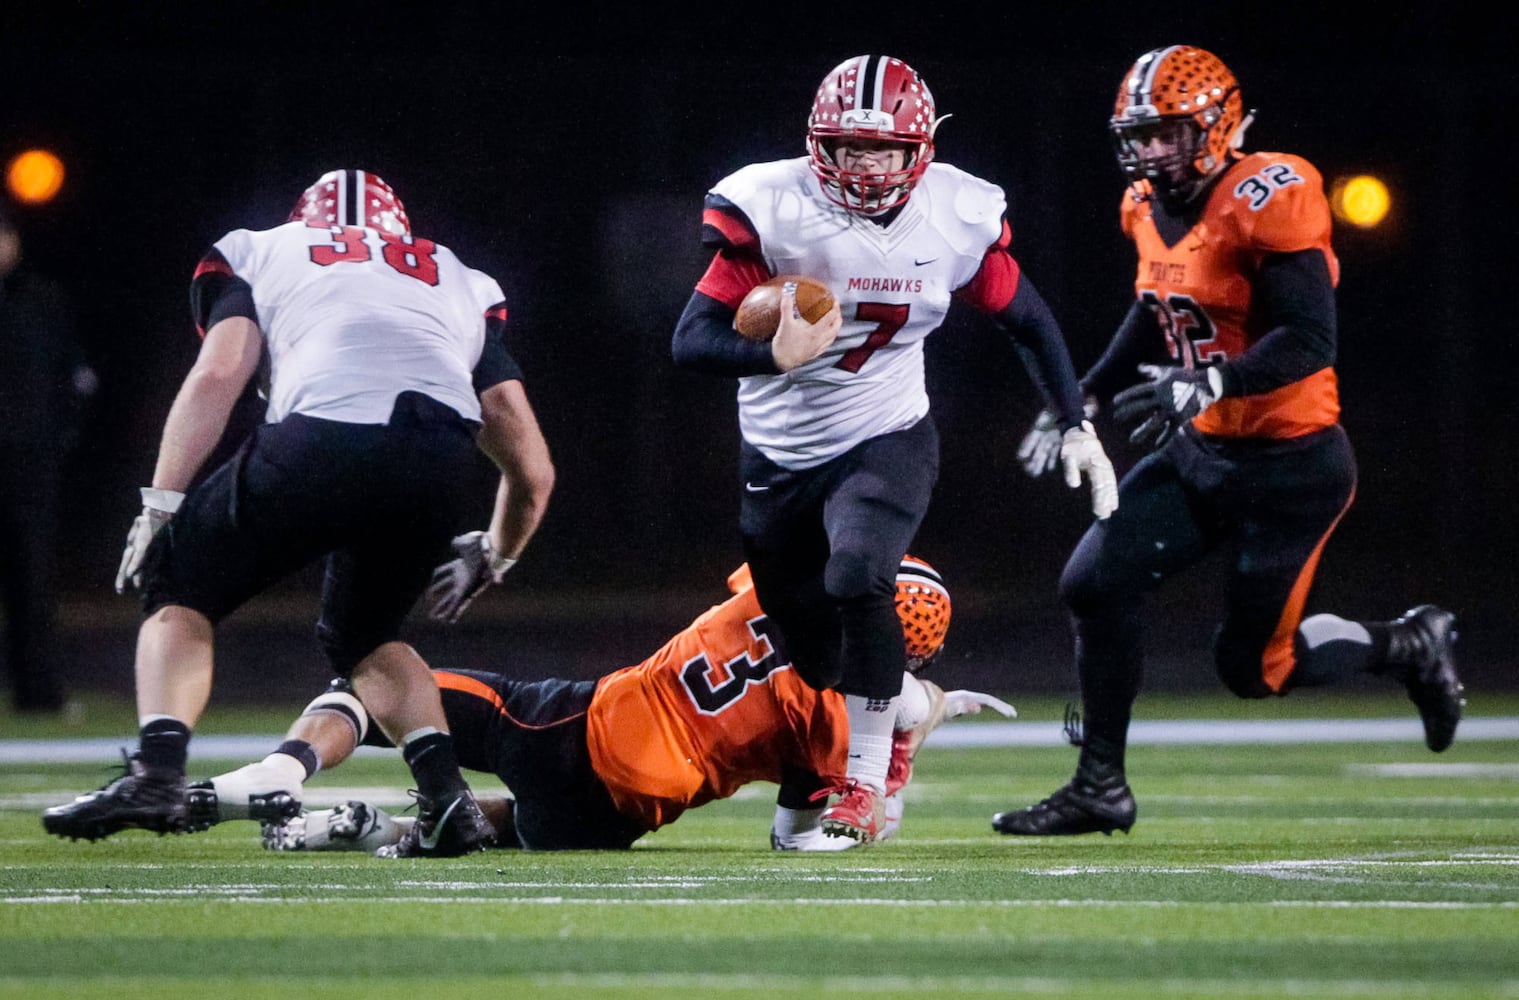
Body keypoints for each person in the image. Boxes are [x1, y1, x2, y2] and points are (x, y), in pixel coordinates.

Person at [992, 46, 1464, 838]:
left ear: (1214, 127)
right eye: (1137, 134)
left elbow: (1309, 336)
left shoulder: (1268, 192)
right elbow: (1154, 306)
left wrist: (1212, 380)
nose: (1147, 150)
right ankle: (1099, 785)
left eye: (1165, 133)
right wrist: (1082, 397)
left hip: (1291, 463)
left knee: (1253, 672)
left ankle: (1407, 642)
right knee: (1093, 583)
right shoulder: (1142, 205)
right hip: (1201, 452)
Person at [41, 170, 555, 858]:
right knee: (366, 637)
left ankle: (158, 772)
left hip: (321, 433)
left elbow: (221, 373)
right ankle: (447, 803)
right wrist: (497, 550)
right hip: (438, 454)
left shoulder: (263, 249)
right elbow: (530, 463)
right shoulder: (454, 275)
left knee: (180, 585)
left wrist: (163, 502)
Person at [670, 54, 1117, 843]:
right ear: (818, 144)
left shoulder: (953, 216)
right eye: (849, 147)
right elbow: (691, 341)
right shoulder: (771, 208)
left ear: (923, 150)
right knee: (817, 666)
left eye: (884, 150)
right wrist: (769, 355)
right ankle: (912, 707)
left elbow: (1028, 320)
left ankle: (864, 790)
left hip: (886, 433)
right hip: (776, 456)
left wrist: (1073, 419)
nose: (867, 166)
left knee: (858, 574)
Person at [182, 557, 1014, 853]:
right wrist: (915, 711)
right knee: (505, 825)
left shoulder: (770, 588)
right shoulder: (835, 730)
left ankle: (280, 772)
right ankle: (368, 828)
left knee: (374, 682)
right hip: (623, 818)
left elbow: (805, 601)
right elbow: (793, 839)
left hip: (575, 727)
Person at [0, 203, 97, 712]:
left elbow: (75, 378)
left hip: (29, 462)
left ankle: (36, 692)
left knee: (32, 578)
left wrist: (61, 437)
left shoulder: (42, 300)